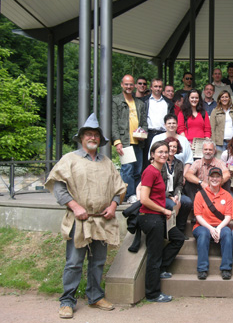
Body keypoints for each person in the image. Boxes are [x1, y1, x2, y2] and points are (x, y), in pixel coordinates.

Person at [45, 114, 127, 319]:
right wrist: (74, 206)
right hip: (79, 220)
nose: (92, 138)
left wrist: (114, 205)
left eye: (96, 135)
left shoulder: (107, 162)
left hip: (102, 220)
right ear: (81, 138)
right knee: (74, 261)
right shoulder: (69, 160)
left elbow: (119, 188)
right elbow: (58, 187)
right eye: (88, 134)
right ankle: (67, 301)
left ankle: (95, 296)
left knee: (98, 260)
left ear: (100, 140)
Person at [138, 141, 185, 303]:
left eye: (166, 152)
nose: (164, 154)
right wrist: (164, 210)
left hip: (158, 216)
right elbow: (144, 199)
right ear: (152, 154)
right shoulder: (150, 171)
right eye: (160, 152)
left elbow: (156, 194)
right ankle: (152, 293)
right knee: (154, 256)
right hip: (151, 218)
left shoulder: (159, 171)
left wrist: (168, 198)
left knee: (178, 238)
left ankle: (162, 267)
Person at [193, 167, 233, 280]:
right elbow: (198, 215)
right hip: (203, 225)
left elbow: (228, 216)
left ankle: (226, 268)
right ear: (208, 178)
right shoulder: (200, 194)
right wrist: (211, 228)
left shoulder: (227, 195)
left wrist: (219, 228)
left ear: (221, 179)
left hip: (221, 225)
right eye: (212, 177)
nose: (215, 179)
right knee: (204, 234)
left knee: (227, 233)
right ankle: (202, 268)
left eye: (217, 177)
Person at [112, 74, 147, 202]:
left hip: (138, 142)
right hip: (125, 141)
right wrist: (117, 141)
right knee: (127, 169)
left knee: (137, 170)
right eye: (126, 84)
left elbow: (144, 122)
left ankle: (136, 194)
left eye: (131, 84)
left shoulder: (139, 103)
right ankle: (128, 195)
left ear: (135, 86)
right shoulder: (116, 101)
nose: (129, 87)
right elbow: (113, 122)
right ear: (122, 84)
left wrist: (144, 133)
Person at [161, 137, 194, 238]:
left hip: (175, 193)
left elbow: (180, 183)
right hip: (162, 194)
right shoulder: (160, 162)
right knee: (171, 205)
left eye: (174, 146)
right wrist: (170, 196)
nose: (172, 148)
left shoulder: (179, 164)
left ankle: (180, 230)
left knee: (187, 202)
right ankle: (170, 232)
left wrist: (176, 194)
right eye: (170, 146)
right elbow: (158, 185)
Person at [143, 78, 174, 171]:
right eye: (155, 86)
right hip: (149, 134)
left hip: (163, 134)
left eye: (160, 87)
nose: (158, 88)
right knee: (148, 160)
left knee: (164, 159)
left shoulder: (168, 103)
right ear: (151, 87)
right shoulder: (144, 101)